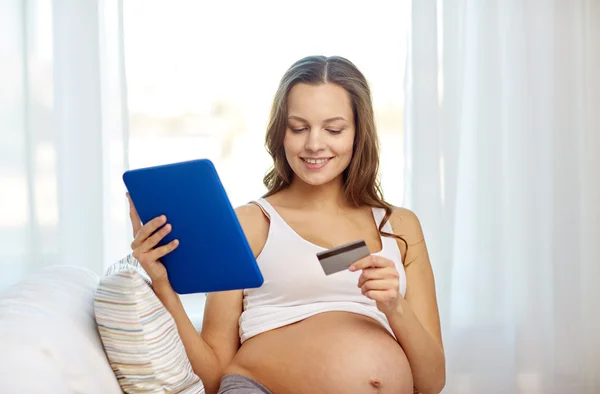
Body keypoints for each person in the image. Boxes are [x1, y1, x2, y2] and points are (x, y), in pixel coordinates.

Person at [127, 55, 445, 394]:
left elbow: (432, 382)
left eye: (333, 129)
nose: (314, 144)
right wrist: (163, 285)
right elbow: (211, 375)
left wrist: (395, 306)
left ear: (358, 133)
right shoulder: (249, 224)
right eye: (299, 128)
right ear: (281, 133)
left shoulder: (399, 227)